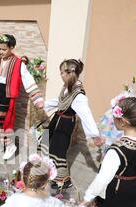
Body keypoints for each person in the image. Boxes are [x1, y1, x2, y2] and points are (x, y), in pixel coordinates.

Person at [42, 59, 105, 190]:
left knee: (58, 151)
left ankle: (63, 180)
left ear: (69, 73)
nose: (60, 75)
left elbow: (86, 115)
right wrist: (44, 105)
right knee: (47, 144)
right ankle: (52, 173)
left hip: (65, 124)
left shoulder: (78, 94)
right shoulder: (67, 86)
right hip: (57, 120)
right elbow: (60, 101)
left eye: (61, 72)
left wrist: (94, 135)